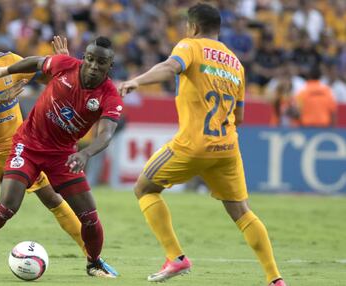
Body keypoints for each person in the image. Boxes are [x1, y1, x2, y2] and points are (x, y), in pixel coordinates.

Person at [118, 3, 286, 286]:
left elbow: (171, 67)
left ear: (193, 27)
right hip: (227, 148)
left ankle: (176, 257)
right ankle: (275, 279)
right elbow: (240, 117)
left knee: (144, 188)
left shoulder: (190, 46)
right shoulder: (236, 63)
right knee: (242, 212)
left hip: (192, 144)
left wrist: (137, 80)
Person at [0, 17, 117, 275]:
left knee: (55, 201)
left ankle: (93, 260)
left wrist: (66, 67)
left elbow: (46, 77)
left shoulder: (9, 58)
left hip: (23, 144)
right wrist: (1, 97)